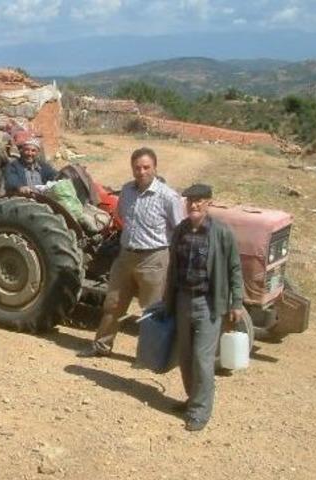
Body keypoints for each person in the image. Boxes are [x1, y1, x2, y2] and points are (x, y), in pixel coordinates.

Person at [79, 147, 184, 357]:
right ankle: (101, 346)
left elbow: (180, 230)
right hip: (126, 256)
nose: (142, 172)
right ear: (132, 169)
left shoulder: (168, 197)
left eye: (146, 167)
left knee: (151, 311)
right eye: (137, 168)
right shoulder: (127, 191)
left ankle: (151, 356)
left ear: (155, 168)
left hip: (154, 258)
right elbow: (121, 217)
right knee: (113, 304)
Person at [164, 184, 244, 432]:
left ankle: (200, 411)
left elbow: (234, 268)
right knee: (185, 357)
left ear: (209, 203)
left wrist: (237, 302)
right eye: (190, 201)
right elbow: (172, 268)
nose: (194, 205)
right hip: (183, 300)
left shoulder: (221, 232)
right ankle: (192, 399)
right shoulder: (180, 231)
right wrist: (168, 299)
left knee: (202, 358)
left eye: (199, 201)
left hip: (208, 304)